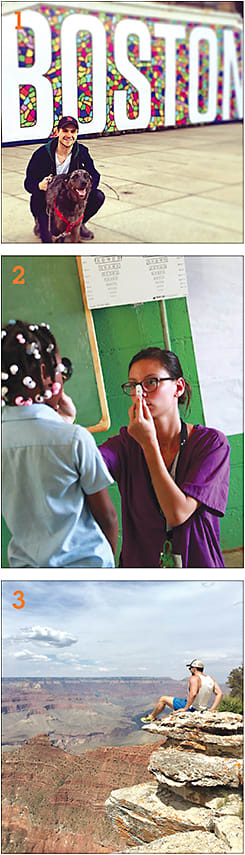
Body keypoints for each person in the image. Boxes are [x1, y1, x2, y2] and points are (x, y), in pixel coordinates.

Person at [1, 320, 118, 568]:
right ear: (44, 374)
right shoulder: (73, 439)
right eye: (59, 369)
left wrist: (61, 421)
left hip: (28, 575)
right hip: (85, 570)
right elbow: (107, 516)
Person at [99, 347, 230, 568]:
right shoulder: (125, 443)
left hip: (197, 573)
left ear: (178, 387)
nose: (140, 393)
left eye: (151, 382)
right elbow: (86, 464)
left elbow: (177, 514)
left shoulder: (211, 444)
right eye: (134, 385)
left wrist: (149, 443)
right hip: (141, 577)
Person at [24, 116, 105, 243]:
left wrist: (84, 188)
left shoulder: (82, 152)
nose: (69, 135)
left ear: (77, 133)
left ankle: (78, 223)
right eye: (65, 130)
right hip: (47, 201)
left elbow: (95, 175)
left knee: (98, 196)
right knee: (49, 241)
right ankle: (41, 223)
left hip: (69, 198)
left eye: (73, 131)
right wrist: (40, 185)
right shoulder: (41, 153)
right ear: (57, 132)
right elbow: (28, 183)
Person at [141, 659, 223, 722]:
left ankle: (151, 717)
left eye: (190, 668)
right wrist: (212, 709)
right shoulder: (210, 679)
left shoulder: (194, 678)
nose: (190, 670)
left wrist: (185, 709)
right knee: (173, 707)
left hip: (192, 708)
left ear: (194, 669)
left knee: (163, 699)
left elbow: (193, 693)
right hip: (203, 709)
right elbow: (220, 694)